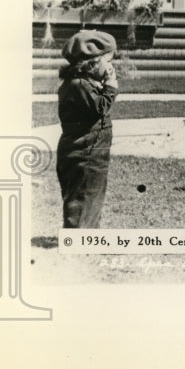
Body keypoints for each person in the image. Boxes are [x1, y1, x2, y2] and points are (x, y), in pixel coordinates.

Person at [56, 30, 119, 228]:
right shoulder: (79, 85)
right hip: (84, 153)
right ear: (91, 64)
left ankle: (87, 232)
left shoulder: (83, 83)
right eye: (107, 62)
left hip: (91, 151)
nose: (110, 67)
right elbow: (99, 107)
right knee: (83, 194)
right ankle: (79, 237)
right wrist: (110, 87)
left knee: (91, 194)